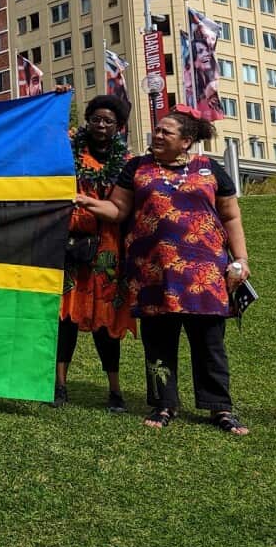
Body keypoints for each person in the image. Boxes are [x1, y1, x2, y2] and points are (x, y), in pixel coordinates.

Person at [76, 106, 251, 435]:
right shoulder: (136, 168)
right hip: (153, 274)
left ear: (186, 141)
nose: (157, 135)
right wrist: (86, 202)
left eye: (165, 132)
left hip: (206, 276)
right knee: (158, 343)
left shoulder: (210, 170)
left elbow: (231, 216)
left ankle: (220, 408)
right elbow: (117, 210)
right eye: (156, 130)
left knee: (209, 344)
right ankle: (164, 403)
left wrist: (240, 259)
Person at [55, 95, 136, 411]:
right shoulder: (70, 149)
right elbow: (50, 131)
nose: (101, 125)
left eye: (108, 121)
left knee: (106, 320)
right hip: (70, 242)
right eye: (96, 119)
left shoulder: (126, 161)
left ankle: (115, 390)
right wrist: (60, 100)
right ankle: (60, 386)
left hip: (107, 249)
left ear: (119, 127)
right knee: (65, 316)